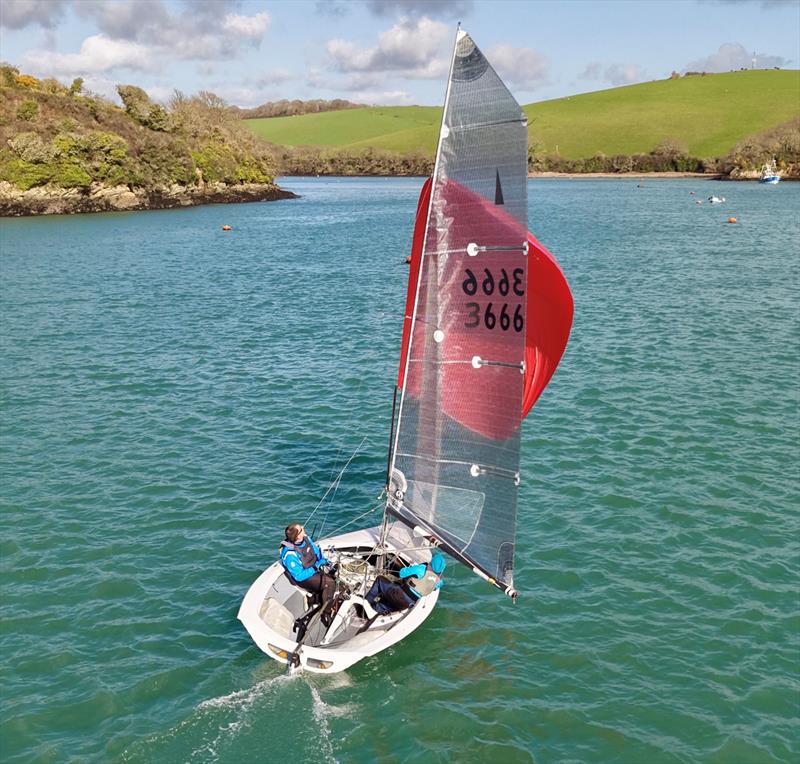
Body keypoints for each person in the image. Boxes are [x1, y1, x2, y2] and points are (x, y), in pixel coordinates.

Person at [366, 553, 446, 614]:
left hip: (398, 595)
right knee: (391, 597)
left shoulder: (421, 569)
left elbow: (402, 573)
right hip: (407, 604)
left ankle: (365, 604)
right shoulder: (439, 581)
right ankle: (378, 609)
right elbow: (434, 587)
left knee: (380, 580)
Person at [279, 523, 336, 608]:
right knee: (330, 583)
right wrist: (316, 566)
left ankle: (313, 599)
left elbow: (316, 551)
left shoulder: (306, 539)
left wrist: (324, 560)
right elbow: (299, 576)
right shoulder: (290, 555)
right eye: (301, 529)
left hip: (313, 568)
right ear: (298, 536)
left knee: (335, 573)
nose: (303, 527)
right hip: (304, 578)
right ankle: (326, 612)